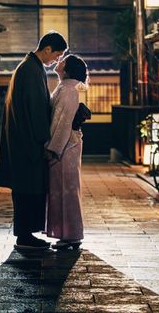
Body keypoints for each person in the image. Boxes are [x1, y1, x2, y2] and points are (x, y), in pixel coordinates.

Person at [0, 31, 68, 250]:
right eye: (56, 55)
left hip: (21, 140)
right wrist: (45, 140)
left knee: (25, 189)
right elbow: (36, 109)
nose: (56, 60)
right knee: (28, 189)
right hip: (28, 143)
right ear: (46, 49)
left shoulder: (28, 68)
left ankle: (26, 234)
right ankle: (25, 235)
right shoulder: (31, 70)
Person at [45, 54, 89, 250]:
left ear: (67, 68)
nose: (58, 61)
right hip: (66, 144)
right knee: (64, 189)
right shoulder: (66, 87)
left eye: (62, 60)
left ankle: (71, 234)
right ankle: (67, 234)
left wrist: (53, 148)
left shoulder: (68, 89)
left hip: (65, 146)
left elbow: (62, 123)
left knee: (67, 189)